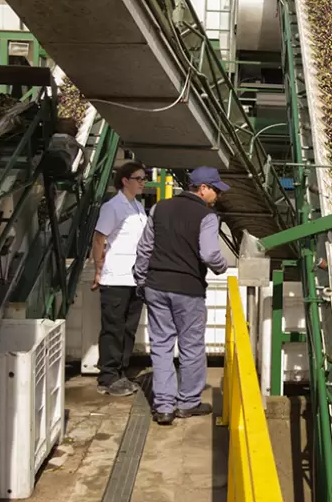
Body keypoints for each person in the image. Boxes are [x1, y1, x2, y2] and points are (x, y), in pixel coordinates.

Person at [134, 166, 230, 425]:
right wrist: (222, 268)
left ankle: (164, 406)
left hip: (156, 285)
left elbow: (144, 249)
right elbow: (209, 254)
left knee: (162, 346)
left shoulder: (159, 208)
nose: (218, 195)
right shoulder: (207, 217)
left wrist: (141, 280)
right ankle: (187, 403)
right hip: (188, 289)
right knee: (191, 347)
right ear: (203, 189)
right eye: (216, 190)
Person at [92, 161, 149, 397]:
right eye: (139, 178)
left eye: (144, 179)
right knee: (113, 328)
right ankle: (108, 376)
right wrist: (98, 269)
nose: (143, 182)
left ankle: (121, 373)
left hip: (134, 278)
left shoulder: (138, 208)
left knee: (127, 328)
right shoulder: (112, 207)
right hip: (115, 276)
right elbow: (99, 238)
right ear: (125, 180)